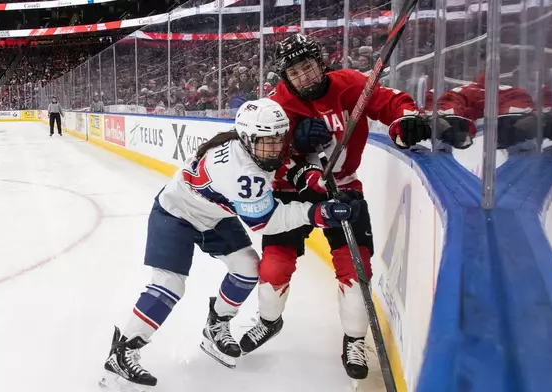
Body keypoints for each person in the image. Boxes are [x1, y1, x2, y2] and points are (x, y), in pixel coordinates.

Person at [100, 98, 364, 390]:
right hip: (176, 213)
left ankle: (217, 322)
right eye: (268, 141)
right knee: (170, 284)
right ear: (248, 139)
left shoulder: (253, 146)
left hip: (213, 214)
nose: (276, 146)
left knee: (248, 268)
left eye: (280, 137)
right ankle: (123, 351)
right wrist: (319, 213)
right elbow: (267, 222)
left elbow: (280, 163)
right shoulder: (241, 174)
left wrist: (305, 175)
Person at [238, 33, 434, 381]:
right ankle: (269, 320)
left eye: (309, 68)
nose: (304, 77)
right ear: (285, 77)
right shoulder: (276, 105)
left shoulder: (350, 85)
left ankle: (355, 339)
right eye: (295, 73)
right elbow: (263, 156)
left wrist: (405, 119)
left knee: (356, 273)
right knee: (272, 272)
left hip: (342, 190)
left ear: (321, 64)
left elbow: (390, 103)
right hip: (292, 193)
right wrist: (295, 151)